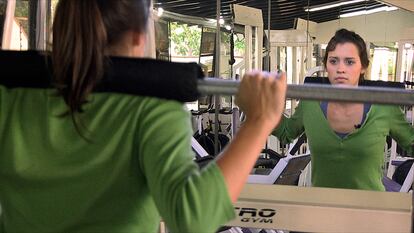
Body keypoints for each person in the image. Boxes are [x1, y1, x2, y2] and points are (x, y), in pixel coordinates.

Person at [0, 0, 287, 233]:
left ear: (60, 28)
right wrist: (259, 121)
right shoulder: (153, 108)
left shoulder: (10, 98)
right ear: (140, 37)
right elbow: (193, 218)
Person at [273, 28, 414, 191]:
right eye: (333, 61)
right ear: (326, 65)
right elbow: (286, 133)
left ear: (363, 67)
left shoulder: (384, 107)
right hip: (323, 206)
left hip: (370, 208)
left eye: (349, 62)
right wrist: (265, 110)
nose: (340, 69)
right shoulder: (310, 104)